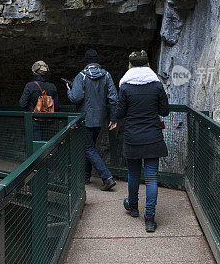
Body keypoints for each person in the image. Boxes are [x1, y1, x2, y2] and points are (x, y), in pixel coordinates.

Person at [116, 50, 169, 232]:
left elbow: (120, 112)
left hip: (133, 137)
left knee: (133, 174)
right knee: (152, 177)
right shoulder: (156, 85)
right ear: (147, 64)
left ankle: (132, 207)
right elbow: (165, 110)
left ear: (130, 65)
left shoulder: (125, 87)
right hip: (153, 137)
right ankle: (149, 218)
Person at [67, 48, 117, 190]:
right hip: (99, 118)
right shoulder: (106, 75)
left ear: (86, 61)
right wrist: (113, 117)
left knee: (88, 148)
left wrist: (68, 89)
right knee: (90, 147)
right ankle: (86, 176)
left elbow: (76, 98)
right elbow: (114, 98)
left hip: (85, 118)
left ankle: (107, 177)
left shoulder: (81, 76)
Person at [19, 61, 59, 141]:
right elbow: (57, 106)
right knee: (47, 144)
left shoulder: (30, 86)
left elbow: (22, 104)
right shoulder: (52, 87)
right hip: (48, 122)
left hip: (33, 121)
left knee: (35, 144)